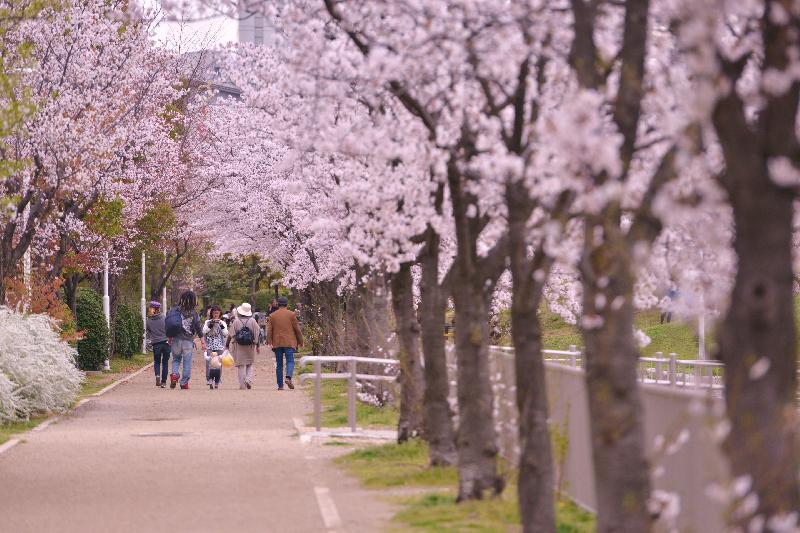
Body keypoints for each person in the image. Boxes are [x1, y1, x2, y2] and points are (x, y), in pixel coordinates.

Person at [169, 290, 205, 390]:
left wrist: (169, 338)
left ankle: (175, 375)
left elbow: (170, 324)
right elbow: (199, 329)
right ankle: (184, 383)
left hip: (176, 339)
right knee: (187, 362)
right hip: (188, 341)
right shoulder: (194, 314)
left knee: (176, 359)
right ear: (193, 300)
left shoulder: (175, 310)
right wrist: (203, 343)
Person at [267, 297, 304, 390]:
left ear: (278, 304)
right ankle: (288, 377)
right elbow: (297, 329)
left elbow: (269, 330)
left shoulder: (272, 315)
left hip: (277, 342)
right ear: (287, 304)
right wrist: (301, 341)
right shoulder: (291, 315)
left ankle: (280, 386)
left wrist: (269, 341)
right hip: (289, 342)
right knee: (290, 361)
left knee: (279, 364)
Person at [228, 302, 260, 390]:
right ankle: (248, 379)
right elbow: (257, 333)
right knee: (249, 364)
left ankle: (242, 385)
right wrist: (257, 345)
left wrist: (227, 345)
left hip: (238, 346)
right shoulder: (253, 321)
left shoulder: (236, 321)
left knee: (241, 365)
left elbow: (230, 334)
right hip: (250, 345)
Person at [203, 305, 228, 389]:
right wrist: (211, 325)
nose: (216, 315)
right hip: (209, 344)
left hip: (219, 345)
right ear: (212, 313)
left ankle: (218, 379)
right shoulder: (207, 322)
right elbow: (204, 331)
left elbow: (225, 333)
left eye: (217, 313)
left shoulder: (223, 322)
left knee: (219, 364)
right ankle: (209, 379)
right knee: (209, 363)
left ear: (220, 313)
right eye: (214, 313)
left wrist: (221, 325)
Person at [146, 301, 170, 388]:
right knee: (165, 363)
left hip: (156, 344)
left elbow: (148, 331)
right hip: (166, 343)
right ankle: (163, 382)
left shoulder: (148, 320)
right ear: (158, 309)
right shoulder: (164, 317)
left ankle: (157, 376)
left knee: (157, 362)